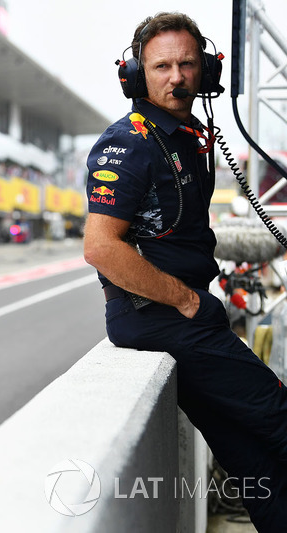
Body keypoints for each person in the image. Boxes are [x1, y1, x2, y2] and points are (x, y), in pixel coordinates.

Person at [83, 12, 287, 531]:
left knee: (256, 464)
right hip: (164, 318)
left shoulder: (185, 136)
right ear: (137, 75)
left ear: (205, 72)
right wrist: (186, 301)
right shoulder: (129, 141)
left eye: (187, 64)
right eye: (162, 66)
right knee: (279, 419)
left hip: (186, 316)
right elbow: (101, 248)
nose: (176, 76)